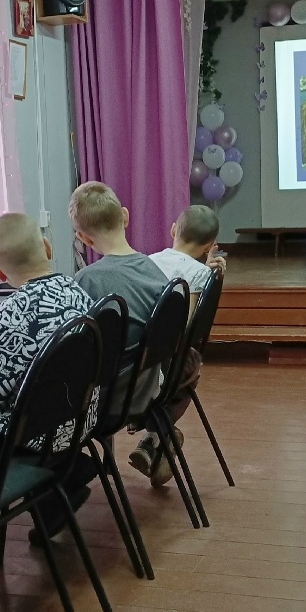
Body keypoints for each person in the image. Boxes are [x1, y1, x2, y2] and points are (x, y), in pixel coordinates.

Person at [69, 182, 178, 485]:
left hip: (108, 401)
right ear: (126, 216)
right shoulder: (155, 271)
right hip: (147, 389)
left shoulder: (86, 281)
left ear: (83, 238)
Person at [0, 212, 95, 452]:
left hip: (31, 436)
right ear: (47, 248)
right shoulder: (78, 293)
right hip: (79, 421)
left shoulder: (11, 315)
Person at [127, 205, 229, 484]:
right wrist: (211, 279)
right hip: (163, 365)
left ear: (173, 230)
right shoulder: (200, 274)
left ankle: (155, 437)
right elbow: (184, 329)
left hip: (131, 363)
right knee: (191, 366)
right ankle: (157, 435)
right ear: (210, 245)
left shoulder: (146, 262)